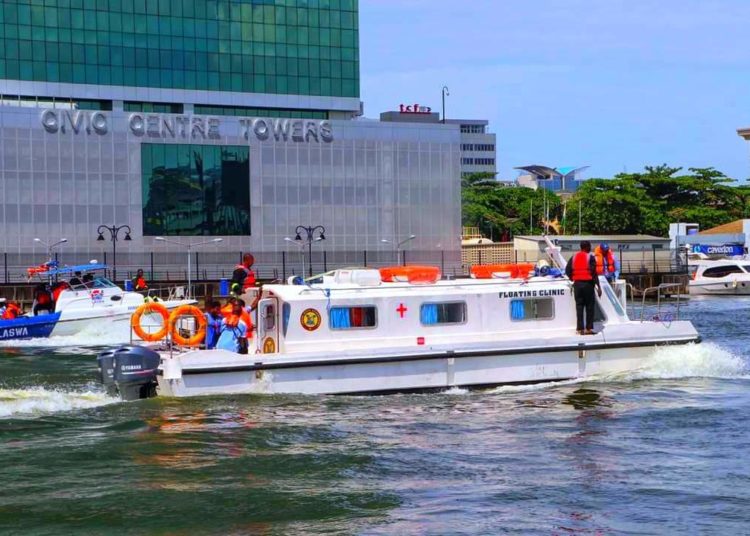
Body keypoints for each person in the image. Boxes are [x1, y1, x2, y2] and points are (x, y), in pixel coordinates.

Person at [565, 240, 602, 335]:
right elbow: (594, 273)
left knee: (579, 306)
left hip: (577, 285)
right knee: (589, 307)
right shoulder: (590, 257)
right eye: (590, 246)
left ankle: (580, 329)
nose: (590, 248)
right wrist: (599, 287)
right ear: (587, 247)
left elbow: (567, 270)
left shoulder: (574, 257)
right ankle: (588, 329)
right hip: (588, 284)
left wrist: (573, 278)